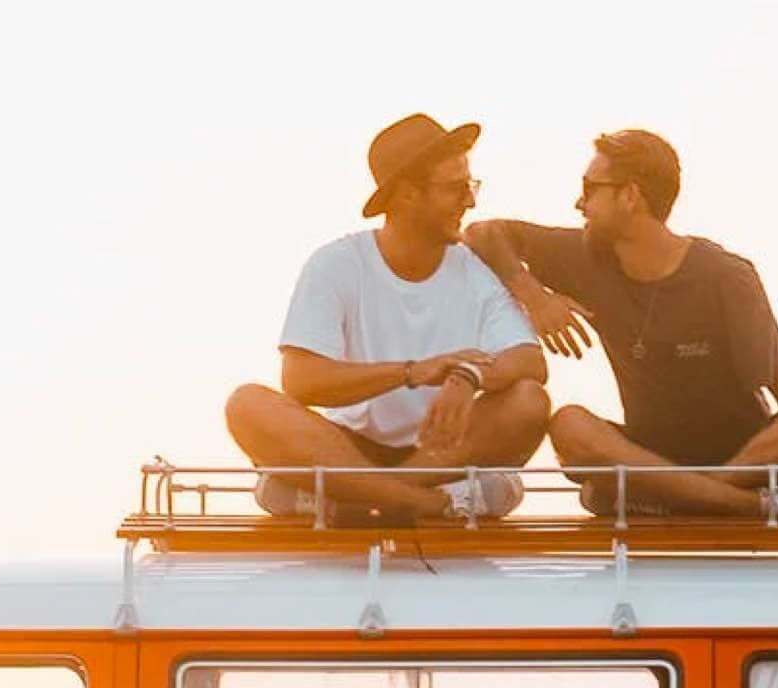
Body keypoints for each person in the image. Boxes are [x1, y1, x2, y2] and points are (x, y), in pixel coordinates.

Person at [465, 130, 778, 519]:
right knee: (569, 425)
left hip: (747, 455)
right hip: (651, 455)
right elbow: (484, 233)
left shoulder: (726, 275)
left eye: (590, 188)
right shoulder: (585, 255)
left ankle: (677, 499)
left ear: (630, 196)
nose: (579, 202)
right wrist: (535, 298)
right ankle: (745, 506)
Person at [224, 114, 549, 525]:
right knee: (247, 404)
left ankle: (371, 496)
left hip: (441, 453)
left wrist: (469, 375)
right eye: (456, 188)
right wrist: (411, 372)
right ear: (406, 195)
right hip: (345, 449)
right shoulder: (336, 264)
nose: (470, 200)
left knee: (528, 401)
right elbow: (302, 381)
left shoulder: (477, 270)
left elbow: (530, 363)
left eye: (471, 185)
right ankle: (416, 500)